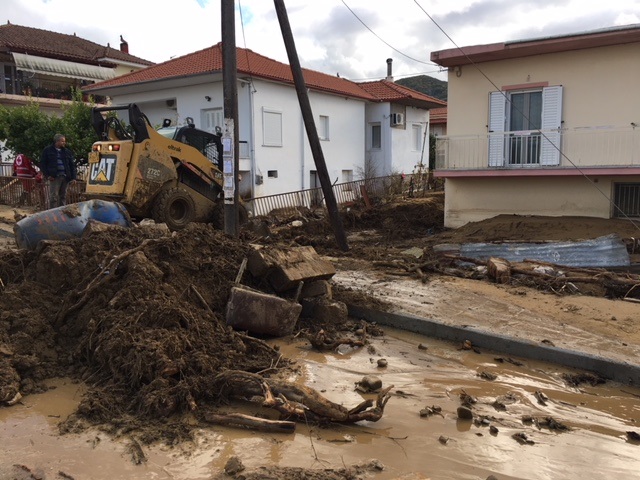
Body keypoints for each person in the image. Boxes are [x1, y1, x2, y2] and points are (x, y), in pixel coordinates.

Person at [40, 134, 77, 208]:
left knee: (63, 195)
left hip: (65, 177)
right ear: (57, 141)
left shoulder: (67, 151)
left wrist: (73, 177)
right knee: (53, 196)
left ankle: (62, 211)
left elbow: (72, 165)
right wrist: (47, 176)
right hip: (55, 177)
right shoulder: (47, 151)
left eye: (64, 141)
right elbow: (43, 164)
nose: (64, 143)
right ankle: (52, 212)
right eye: (62, 141)